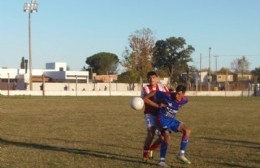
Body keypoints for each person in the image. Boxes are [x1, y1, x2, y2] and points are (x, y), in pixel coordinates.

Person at [143, 85, 191, 167]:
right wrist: (157, 104)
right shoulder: (167, 95)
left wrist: (179, 105)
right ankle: (162, 161)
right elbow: (153, 94)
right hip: (162, 120)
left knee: (187, 131)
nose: (177, 95)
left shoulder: (185, 100)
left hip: (172, 120)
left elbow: (179, 104)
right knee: (166, 136)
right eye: (176, 93)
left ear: (183, 94)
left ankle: (181, 154)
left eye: (179, 94)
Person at [141, 71, 169, 162]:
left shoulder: (163, 87)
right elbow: (145, 100)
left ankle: (152, 149)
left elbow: (168, 99)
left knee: (163, 137)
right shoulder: (145, 89)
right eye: (149, 78)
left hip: (161, 115)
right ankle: (145, 155)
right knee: (151, 133)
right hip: (150, 113)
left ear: (157, 78)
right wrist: (157, 105)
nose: (151, 79)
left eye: (153, 77)